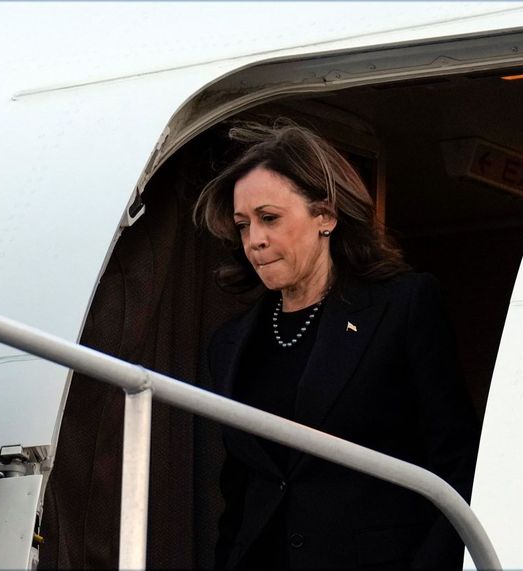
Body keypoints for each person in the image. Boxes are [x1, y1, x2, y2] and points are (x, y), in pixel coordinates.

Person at [193, 120, 480, 569]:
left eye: (269, 218)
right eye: (243, 225)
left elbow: (455, 460)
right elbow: (241, 489)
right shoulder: (229, 343)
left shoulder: (403, 305)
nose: (255, 240)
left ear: (325, 215)